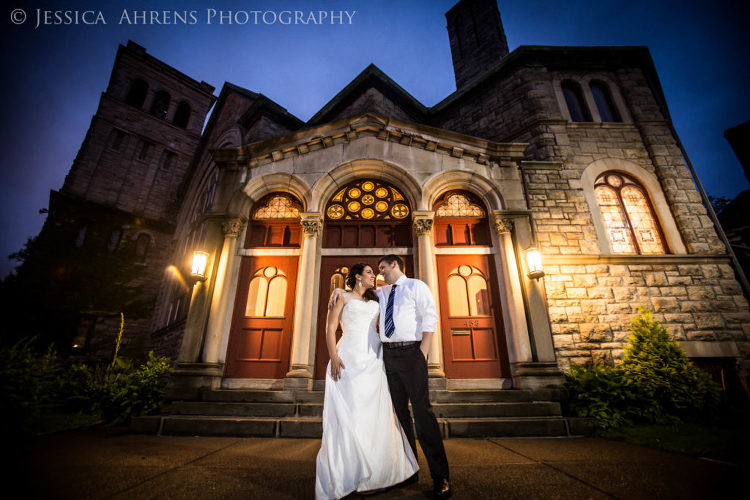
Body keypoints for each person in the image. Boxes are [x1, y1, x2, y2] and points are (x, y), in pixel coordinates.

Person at [329, 255, 452, 499]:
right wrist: (338, 290)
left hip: (412, 353)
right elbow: (356, 296)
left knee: (422, 412)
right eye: (375, 270)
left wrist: (423, 353)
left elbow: (430, 318)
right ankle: (408, 470)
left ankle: (441, 477)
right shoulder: (380, 294)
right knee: (398, 415)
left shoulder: (416, 286)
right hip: (387, 357)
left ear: (394, 265)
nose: (379, 272)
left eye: (382, 267)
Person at [315, 263, 418, 500]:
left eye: (375, 272)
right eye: (370, 272)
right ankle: (349, 471)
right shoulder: (342, 297)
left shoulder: (376, 300)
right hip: (348, 356)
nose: (375, 276)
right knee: (349, 412)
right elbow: (330, 328)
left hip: (373, 359)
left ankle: (378, 473)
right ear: (358, 276)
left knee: (374, 414)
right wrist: (333, 356)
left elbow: (395, 293)